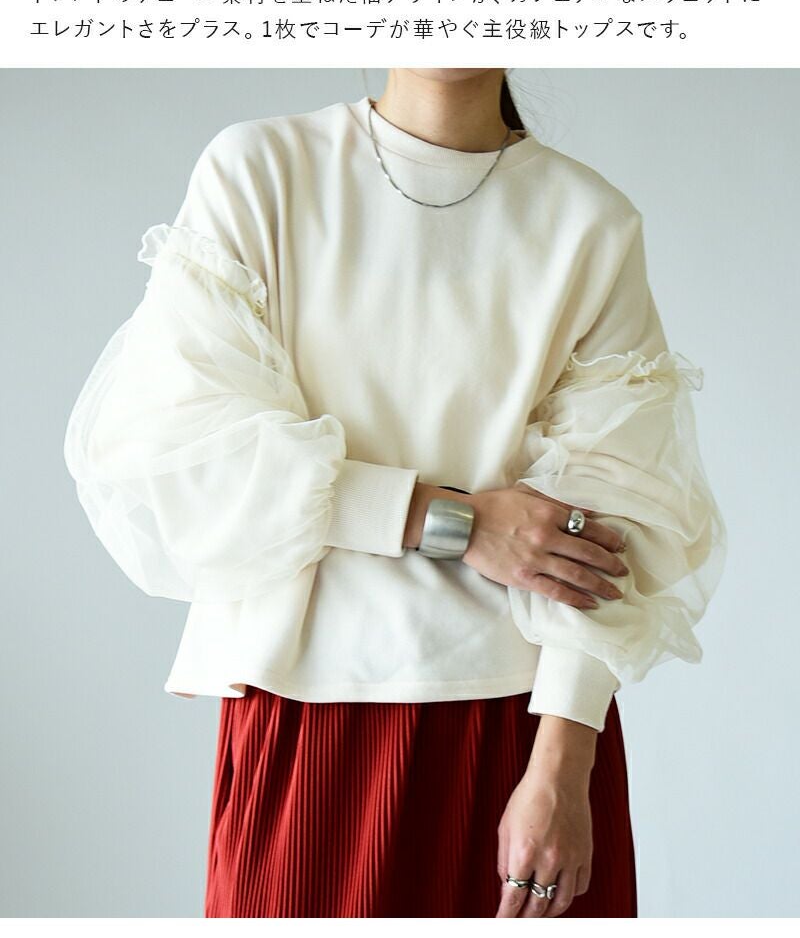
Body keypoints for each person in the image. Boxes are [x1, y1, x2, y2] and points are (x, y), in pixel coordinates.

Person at [63, 68, 727, 918]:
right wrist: (455, 521)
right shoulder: (262, 170)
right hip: (310, 712)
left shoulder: (590, 222)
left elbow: (615, 516)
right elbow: (185, 449)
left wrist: (564, 766)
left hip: (524, 732)